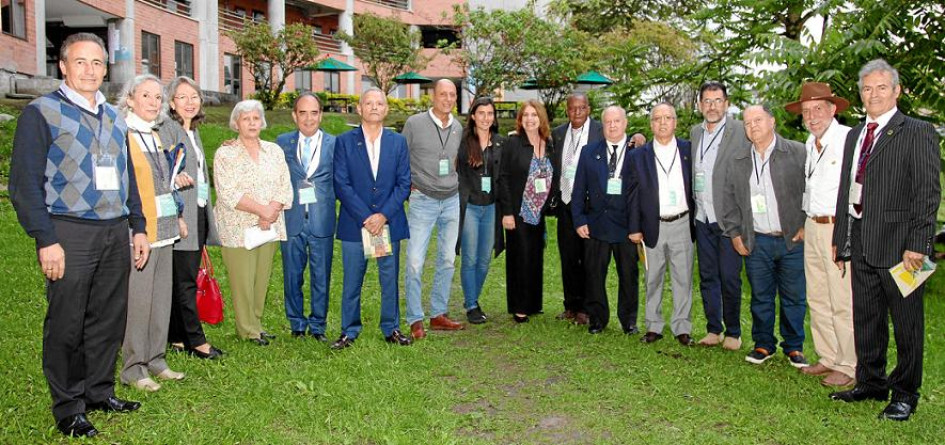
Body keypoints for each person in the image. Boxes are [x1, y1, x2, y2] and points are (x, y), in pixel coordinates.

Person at [9, 32, 147, 437]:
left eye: (97, 63)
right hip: (68, 231)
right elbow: (24, 184)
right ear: (64, 67)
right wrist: (45, 238)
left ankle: (98, 391)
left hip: (112, 229)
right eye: (81, 62)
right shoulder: (42, 113)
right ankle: (69, 405)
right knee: (67, 321)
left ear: (106, 70)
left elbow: (129, 177)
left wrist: (137, 225)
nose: (90, 70)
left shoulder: (114, 116)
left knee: (107, 317)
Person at [829, 59, 940, 421]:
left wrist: (919, 244)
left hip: (902, 245)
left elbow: (927, 193)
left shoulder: (917, 131)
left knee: (907, 323)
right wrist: (841, 236)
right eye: (866, 88)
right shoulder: (854, 134)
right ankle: (871, 381)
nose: (873, 95)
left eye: (881, 87)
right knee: (867, 317)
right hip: (861, 238)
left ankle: (905, 393)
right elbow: (847, 188)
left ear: (897, 91)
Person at [720, 104, 808, 367]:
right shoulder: (738, 160)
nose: (752, 126)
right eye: (747, 123)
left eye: (757, 120)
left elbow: (810, 190)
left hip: (791, 239)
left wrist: (805, 225)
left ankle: (793, 346)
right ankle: (763, 343)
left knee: (794, 295)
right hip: (757, 239)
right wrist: (735, 234)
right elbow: (729, 201)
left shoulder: (797, 152)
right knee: (761, 295)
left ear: (772, 121)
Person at [118, 74, 188, 392]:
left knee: (161, 298)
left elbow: (164, 181)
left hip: (165, 226)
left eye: (158, 97)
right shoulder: (123, 135)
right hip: (141, 230)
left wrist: (178, 215)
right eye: (145, 96)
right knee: (140, 300)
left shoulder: (155, 135)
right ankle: (133, 367)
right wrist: (136, 228)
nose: (153, 102)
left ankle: (156, 359)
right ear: (130, 99)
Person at [784, 82, 855, 387]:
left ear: (832, 109)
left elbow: (855, 191)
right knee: (817, 296)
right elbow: (812, 190)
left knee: (842, 299)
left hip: (838, 227)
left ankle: (850, 364)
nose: (811, 116)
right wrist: (805, 223)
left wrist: (845, 233)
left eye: (817, 109)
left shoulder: (847, 140)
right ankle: (827, 356)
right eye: (806, 112)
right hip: (813, 226)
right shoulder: (811, 143)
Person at [331, 87, 413, 349]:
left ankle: (391, 328)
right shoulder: (344, 141)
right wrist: (367, 217)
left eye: (380, 103)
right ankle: (348, 330)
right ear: (359, 108)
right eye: (369, 103)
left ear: (386, 109)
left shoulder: (398, 142)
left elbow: (404, 183)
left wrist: (383, 215)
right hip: (356, 224)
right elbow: (341, 183)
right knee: (352, 281)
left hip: (388, 223)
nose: (374, 107)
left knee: (389, 280)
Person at [213, 100, 293, 346]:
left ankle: (256, 324)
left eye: (255, 118)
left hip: (269, 225)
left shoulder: (274, 151)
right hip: (238, 226)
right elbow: (227, 192)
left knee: (261, 278)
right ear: (236, 123)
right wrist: (261, 210)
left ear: (262, 122)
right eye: (245, 119)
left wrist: (271, 211)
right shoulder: (225, 153)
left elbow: (284, 185)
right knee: (242, 280)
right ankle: (246, 329)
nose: (251, 123)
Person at [162, 76, 224, 360]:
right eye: (182, 97)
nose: (189, 102)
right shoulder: (169, 130)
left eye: (194, 96)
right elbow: (162, 172)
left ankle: (175, 335)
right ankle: (196, 341)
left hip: (197, 209)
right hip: (181, 214)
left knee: (180, 277)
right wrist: (177, 215)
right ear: (172, 102)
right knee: (186, 281)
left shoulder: (193, 132)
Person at [627, 103, 696, 345]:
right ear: (651, 124)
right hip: (651, 225)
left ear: (675, 122)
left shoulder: (689, 150)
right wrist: (634, 227)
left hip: (682, 223)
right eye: (657, 119)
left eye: (668, 118)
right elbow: (632, 194)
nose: (663, 122)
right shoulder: (638, 156)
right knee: (652, 277)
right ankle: (653, 325)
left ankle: (682, 327)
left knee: (683, 277)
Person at [402, 79, 465, 339]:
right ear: (433, 96)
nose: (447, 99)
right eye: (443, 94)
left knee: (447, 259)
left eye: (452, 95)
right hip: (423, 199)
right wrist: (408, 190)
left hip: (451, 199)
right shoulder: (414, 124)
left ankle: (438, 313)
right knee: (415, 261)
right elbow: (401, 157)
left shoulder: (458, 127)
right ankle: (415, 318)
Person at [689, 81, 749, 349]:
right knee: (708, 276)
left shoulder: (740, 131)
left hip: (728, 219)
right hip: (702, 217)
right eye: (707, 101)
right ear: (700, 105)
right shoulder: (694, 133)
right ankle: (714, 329)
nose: (712, 106)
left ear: (727, 103)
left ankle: (733, 332)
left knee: (730, 277)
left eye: (717, 101)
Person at [570, 106, 638, 334]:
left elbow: (645, 192)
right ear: (603, 125)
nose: (612, 126)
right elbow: (578, 189)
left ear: (625, 123)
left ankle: (628, 320)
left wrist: (640, 225)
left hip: (627, 226)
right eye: (608, 122)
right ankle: (597, 318)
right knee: (594, 274)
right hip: (596, 224)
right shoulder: (589, 152)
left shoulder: (638, 152)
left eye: (617, 121)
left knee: (628, 275)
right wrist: (579, 220)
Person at [276, 93, 337, 341]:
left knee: (321, 274)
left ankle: (318, 325)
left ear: (321, 115)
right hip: (292, 219)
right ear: (294, 115)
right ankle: (297, 323)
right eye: (303, 112)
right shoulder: (282, 143)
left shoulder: (335, 144)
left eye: (314, 113)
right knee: (292, 274)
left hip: (322, 220)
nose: (308, 118)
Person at [498, 100, 555, 322]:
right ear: (520, 119)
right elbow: (503, 177)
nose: (530, 119)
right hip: (519, 211)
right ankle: (519, 306)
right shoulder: (513, 143)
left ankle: (533, 302)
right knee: (519, 258)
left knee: (535, 256)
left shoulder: (548, 143)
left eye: (534, 115)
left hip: (539, 212)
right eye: (526, 115)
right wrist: (507, 212)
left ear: (541, 118)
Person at [550, 93, 603, 325]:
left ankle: (587, 308)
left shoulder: (600, 131)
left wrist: (639, 137)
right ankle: (571, 305)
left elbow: (625, 142)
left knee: (589, 259)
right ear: (567, 110)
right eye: (573, 109)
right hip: (566, 202)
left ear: (589, 109)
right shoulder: (559, 133)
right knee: (569, 256)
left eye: (582, 108)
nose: (577, 112)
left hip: (590, 206)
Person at [456, 96, 504, 324]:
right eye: (481, 113)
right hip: (471, 208)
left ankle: (472, 299)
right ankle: (472, 304)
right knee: (470, 259)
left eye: (490, 113)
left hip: (492, 208)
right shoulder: (464, 142)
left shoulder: (501, 143)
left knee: (484, 259)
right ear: (473, 116)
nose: (486, 118)